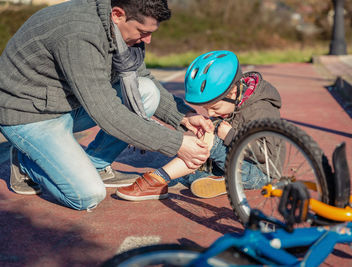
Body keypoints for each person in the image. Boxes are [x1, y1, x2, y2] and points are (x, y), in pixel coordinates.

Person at [0, 0, 214, 211]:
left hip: (65, 103)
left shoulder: (120, 31)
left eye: (151, 32)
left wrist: (184, 116)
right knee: (87, 195)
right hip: (30, 114)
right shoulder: (80, 35)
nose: (147, 40)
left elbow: (139, 76)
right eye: (142, 31)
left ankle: (95, 164)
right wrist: (177, 143)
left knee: (146, 90)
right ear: (117, 14)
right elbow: (107, 113)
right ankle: (28, 163)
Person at [116, 50, 282, 201]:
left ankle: (157, 179)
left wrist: (232, 136)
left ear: (232, 93)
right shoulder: (233, 100)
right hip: (229, 163)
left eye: (214, 108)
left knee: (209, 143)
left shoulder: (261, 109)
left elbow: (266, 154)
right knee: (192, 171)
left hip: (259, 173)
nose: (210, 113)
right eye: (206, 109)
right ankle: (221, 181)